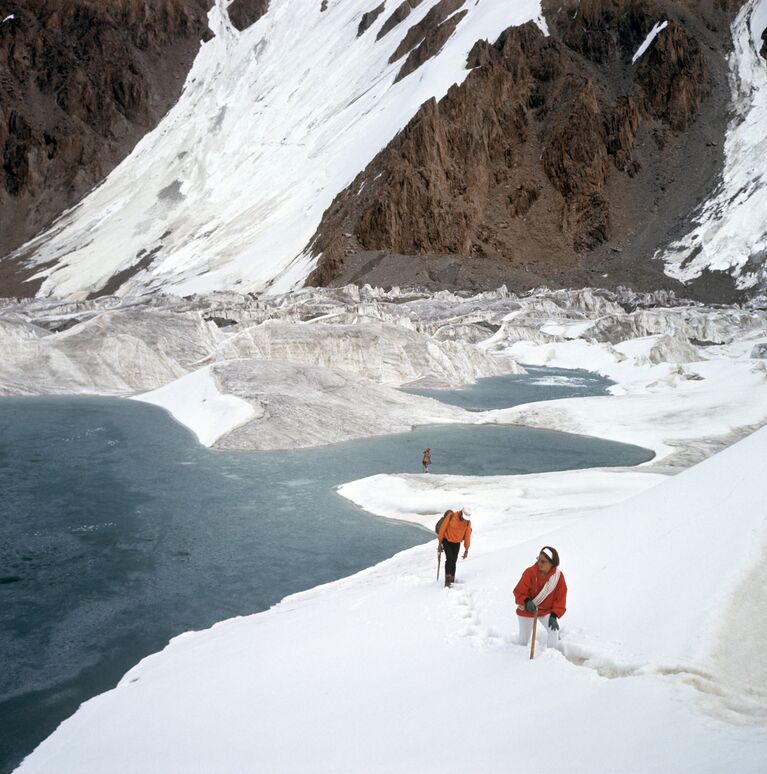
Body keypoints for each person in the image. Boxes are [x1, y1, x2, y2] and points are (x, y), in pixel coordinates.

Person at [513, 546, 567, 649]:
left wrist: (554, 615)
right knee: (523, 641)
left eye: (543, 561)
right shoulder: (530, 572)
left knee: (553, 631)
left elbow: (561, 598)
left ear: (551, 564)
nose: (539, 563)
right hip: (527, 609)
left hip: (545, 611)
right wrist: (526, 601)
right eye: (539, 560)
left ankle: (551, 655)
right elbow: (519, 591)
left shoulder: (558, 577)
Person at [437, 508, 471, 587]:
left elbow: (467, 536)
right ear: (461, 513)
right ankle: (447, 581)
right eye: (464, 517)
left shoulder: (468, 522)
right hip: (447, 540)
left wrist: (466, 550)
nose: (464, 519)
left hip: (456, 543)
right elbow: (442, 529)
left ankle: (452, 579)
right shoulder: (451, 516)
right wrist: (440, 543)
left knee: (454, 561)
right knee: (449, 558)